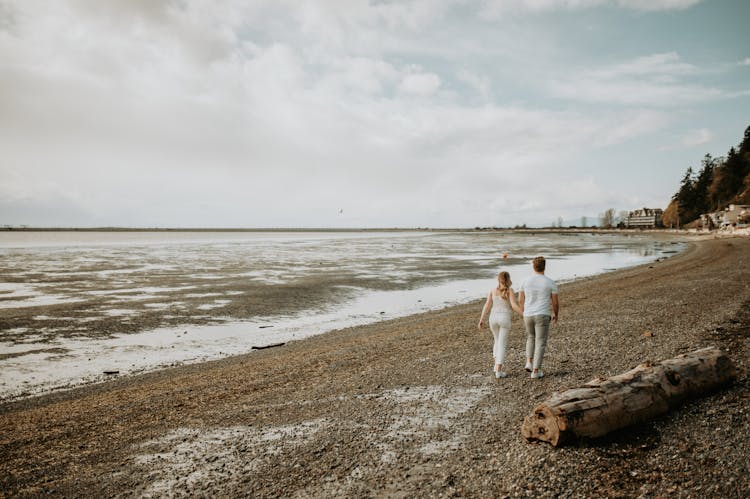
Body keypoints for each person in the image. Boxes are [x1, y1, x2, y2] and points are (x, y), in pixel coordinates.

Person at [518, 256, 559, 379]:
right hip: (542, 314)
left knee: (531, 337)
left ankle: (529, 362)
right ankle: (536, 371)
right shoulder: (550, 282)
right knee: (540, 342)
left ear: (533, 266)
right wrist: (556, 314)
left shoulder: (525, 281)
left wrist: (523, 311)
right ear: (544, 266)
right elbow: (555, 303)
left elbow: (520, 299)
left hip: (528, 314)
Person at [478, 271, 522, 378]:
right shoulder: (510, 291)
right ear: (508, 279)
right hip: (504, 318)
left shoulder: (492, 290)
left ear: (498, 279)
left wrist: (481, 319)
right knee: (502, 343)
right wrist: (524, 314)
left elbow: (487, 306)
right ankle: (498, 370)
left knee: (496, 340)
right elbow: (514, 305)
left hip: (492, 318)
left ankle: (495, 366)